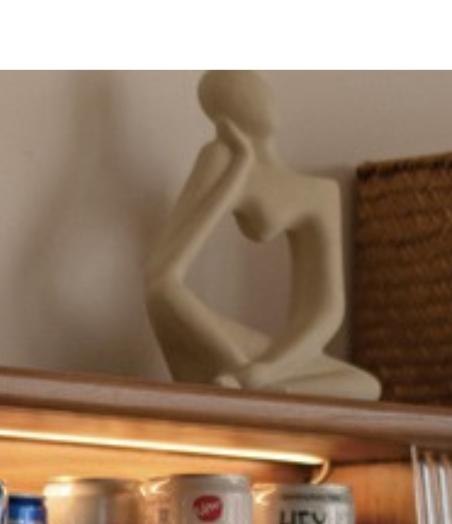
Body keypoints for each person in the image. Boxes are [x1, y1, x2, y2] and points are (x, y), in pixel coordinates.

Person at [144, 70, 381, 400]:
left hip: (273, 363)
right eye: (236, 93)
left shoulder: (320, 192)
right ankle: (251, 386)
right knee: (163, 297)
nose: (260, 98)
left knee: (366, 386)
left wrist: (268, 369)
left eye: (257, 88)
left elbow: (325, 311)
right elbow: (162, 280)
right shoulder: (221, 161)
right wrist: (236, 173)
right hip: (223, 346)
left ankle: (266, 391)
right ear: (222, 117)